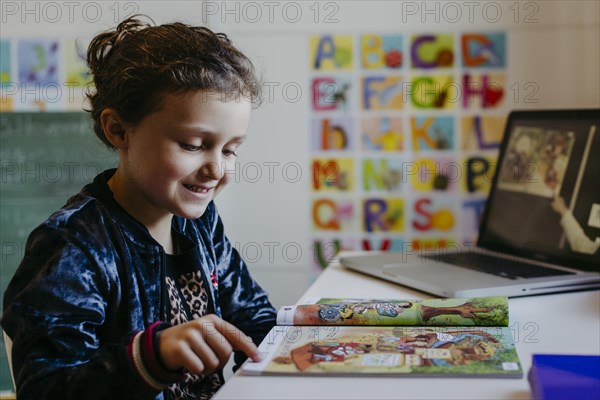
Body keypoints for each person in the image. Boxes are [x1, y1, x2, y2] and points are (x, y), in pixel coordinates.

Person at [1, 16, 277, 399]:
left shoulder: (200, 224)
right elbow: (46, 388)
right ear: (118, 130)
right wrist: (151, 358)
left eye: (230, 149)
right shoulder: (73, 247)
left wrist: (304, 343)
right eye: (193, 144)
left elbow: (251, 314)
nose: (216, 168)